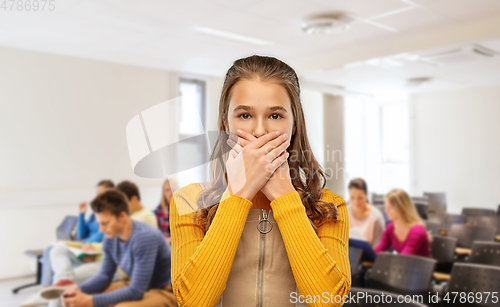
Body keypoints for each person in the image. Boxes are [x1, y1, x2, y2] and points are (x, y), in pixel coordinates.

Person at [170, 55, 350, 307]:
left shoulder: (330, 207)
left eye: (275, 116)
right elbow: (193, 302)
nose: (259, 131)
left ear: (294, 125)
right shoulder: (188, 201)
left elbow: (328, 301)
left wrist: (285, 197)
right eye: (244, 115)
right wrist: (238, 194)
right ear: (225, 124)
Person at [58, 188, 177, 307]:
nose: (101, 229)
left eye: (105, 223)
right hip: (140, 286)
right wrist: (79, 290)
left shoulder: (144, 237)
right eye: (100, 223)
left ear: (122, 216)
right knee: (81, 297)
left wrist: (89, 301)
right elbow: (105, 275)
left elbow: (136, 291)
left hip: (166, 290)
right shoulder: (110, 239)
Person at [21, 180, 114, 307]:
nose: (98, 195)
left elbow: (102, 234)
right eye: (97, 192)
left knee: (60, 275)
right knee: (52, 249)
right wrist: (82, 214)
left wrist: (85, 245)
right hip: (84, 244)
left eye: (101, 192)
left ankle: (50, 291)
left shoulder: (110, 212)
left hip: (90, 248)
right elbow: (81, 234)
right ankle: (44, 289)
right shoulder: (94, 212)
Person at [375, 189, 430, 257]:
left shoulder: (417, 231)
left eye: (390, 208)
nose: (386, 211)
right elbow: (377, 253)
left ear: (402, 208)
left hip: (416, 267)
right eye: (386, 207)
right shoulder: (390, 228)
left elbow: (403, 259)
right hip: (404, 266)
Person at [347, 178, 385, 248]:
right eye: (352, 197)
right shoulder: (344, 213)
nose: (356, 202)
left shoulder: (376, 218)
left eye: (360, 198)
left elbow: (377, 250)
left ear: (366, 195)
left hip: (368, 258)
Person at [154, 179, 174, 243]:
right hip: (165, 244)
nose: (170, 193)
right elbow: (155, 234)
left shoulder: (182, 209)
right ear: (164, 192)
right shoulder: (159, 210)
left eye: (173, 189)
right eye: (167, 190)